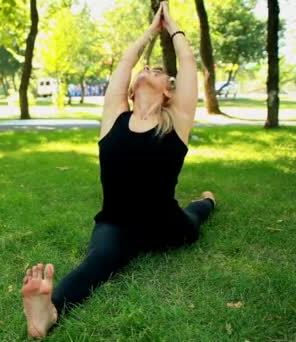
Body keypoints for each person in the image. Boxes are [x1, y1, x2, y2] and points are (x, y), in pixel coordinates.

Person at [20, 2, 216, 338]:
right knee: (101, 259)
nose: (149, 68)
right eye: (147, 67)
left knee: (194, 216)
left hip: (165, 223)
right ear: (130, 87)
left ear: (169, 90)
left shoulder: (178, 120)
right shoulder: (114, 117)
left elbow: (186, 62)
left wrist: (173, 27)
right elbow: (126, 61)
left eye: (157, 70)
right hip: (116, 222)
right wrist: (148, 32)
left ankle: (208, 201)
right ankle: (48, 313)